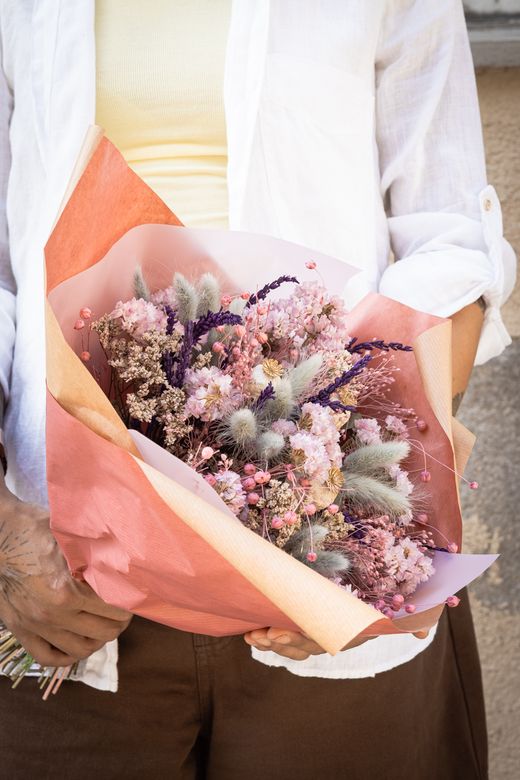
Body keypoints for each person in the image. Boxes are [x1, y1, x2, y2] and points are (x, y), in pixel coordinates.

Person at [0, 1, 516, 778]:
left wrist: (349, 533)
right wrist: (8, 541)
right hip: (67, 582)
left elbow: (447, 243)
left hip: (325, 571)